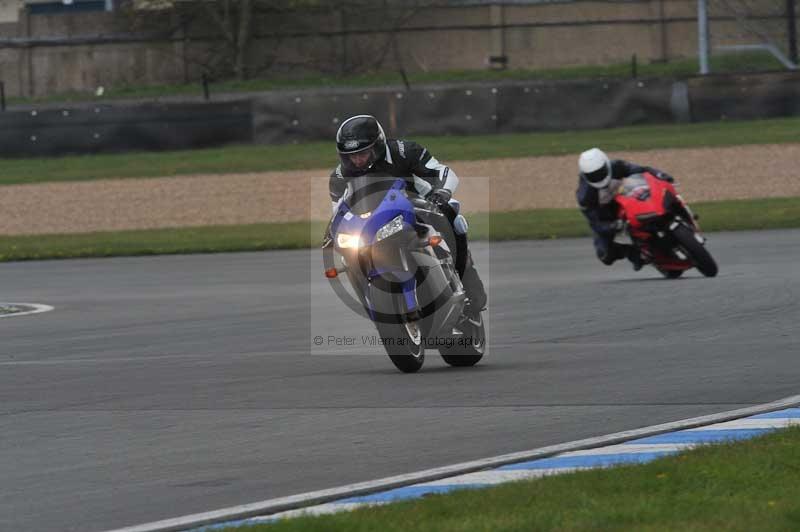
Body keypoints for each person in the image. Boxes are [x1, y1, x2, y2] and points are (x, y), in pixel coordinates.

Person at [327, 114, 486, 315]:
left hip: (418, 204)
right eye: (351, 155)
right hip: (376, 220)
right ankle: (374, 305)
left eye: (363, 153)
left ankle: (468, 279)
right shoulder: (339, 177)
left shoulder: (404, 151)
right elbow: (339, 211)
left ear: (377, 145)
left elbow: (442, 171)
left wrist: (442, 192)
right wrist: (333, 233)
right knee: (349, 257)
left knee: (451, 216)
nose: (357, 160)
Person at [576, 147, 674, 269]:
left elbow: (644, 170)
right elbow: (595, 223)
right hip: (607, 214)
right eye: (592, 176)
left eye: (600, 172)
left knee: (663, 196)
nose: (598, 177)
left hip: (630, 196)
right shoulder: (585, 196)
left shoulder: (617, 166)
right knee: (605, 255)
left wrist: (660, 174)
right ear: (585, 175)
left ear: (607, 164)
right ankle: (633, 252)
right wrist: (612, 226)